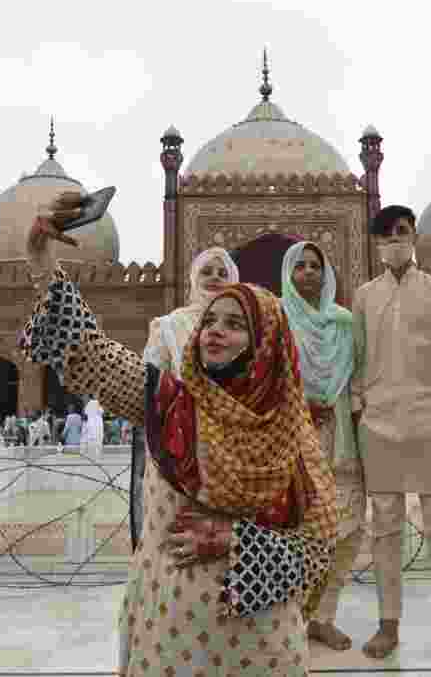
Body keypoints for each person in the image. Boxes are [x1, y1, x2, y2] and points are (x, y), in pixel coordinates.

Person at [24, 197, 338, 675]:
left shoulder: (287, 428)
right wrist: (40, 257)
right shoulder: (169, 403)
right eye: (210, 321)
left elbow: (316, 549)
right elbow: (89, 353)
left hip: (259, 641)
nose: (215, 332)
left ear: (265, 344)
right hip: (172, 628)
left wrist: (239, 539)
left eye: (235, 325)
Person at [352, 205, 431, 662]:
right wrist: (360, 406)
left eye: (401, 231)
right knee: (384, 529)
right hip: (379, 421)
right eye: (385, 234)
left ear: (414, 234)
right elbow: (358, 353)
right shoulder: (364, 295)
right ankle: (388, 624)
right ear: (377, 241)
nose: (394, 239)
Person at [281, 239, 365, 651]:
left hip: (344, 439)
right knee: (299, 532)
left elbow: (360, 376)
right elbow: (267, 381)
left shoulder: (345, 322)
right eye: (300, 266)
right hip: (296, 439)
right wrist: (300, 404)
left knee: (346, 534)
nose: (308, 272)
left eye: (315, 265)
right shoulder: (277, 321)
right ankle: (293, 615)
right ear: (289, 274)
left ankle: (324, 617)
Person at [143, 247, 240, 379]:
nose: (215, 276)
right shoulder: (170, 325)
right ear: (194, 279)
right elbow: (152, 381)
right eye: (206, 272)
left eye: (223, 274)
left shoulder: (243, 325)